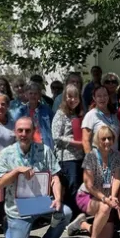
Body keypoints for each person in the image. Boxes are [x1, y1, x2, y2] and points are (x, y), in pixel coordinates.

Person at [0, 117, 71, 238]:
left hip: (41, 203)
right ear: (15, 132)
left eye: (27, 130)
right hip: (17, 209)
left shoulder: (45, 150)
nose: (24, 134)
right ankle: (8, 225)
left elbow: (55, 177)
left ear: (33, 132)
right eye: (20, 130)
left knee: (65, 212)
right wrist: (16, 171)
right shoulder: (6, 154)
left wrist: (58, 198)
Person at [68, 125, 120, 238]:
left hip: (107, 197)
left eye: (109, 138)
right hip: (87, 195)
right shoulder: (91, 157)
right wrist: (105, 199)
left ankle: (82, 224)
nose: (107, 142)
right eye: (103, 139)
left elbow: (117, 178)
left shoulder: (116, 155)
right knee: (104, 208)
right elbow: (89, 184)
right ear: (97, 140)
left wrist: (113, 196)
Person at [51, 84, 85, 215]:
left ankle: (78, 214)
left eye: (75, 97)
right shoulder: (61, 114)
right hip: (67, 158)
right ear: (65, 98)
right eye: (70, 97)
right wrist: (73, 142)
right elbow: (56, 137)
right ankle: (70, 216)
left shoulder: (79, 113)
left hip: (80, 156)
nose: (73, 100)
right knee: (72, 187)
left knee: (79, 186)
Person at [11, 83, 54, 149]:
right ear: (26, 95)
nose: (33, 96)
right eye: (31, 93)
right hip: (27, 146)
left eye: (35, 93)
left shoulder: (47, 110)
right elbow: (14, 128)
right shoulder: (21, 111)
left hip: (44, 145)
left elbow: (53, 127)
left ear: (39, 95)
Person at [82, 85, 120, 153]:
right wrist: (91, 160)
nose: (102, 98)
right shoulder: (91, 115)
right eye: (99, 96)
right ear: (94, 98)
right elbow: (85, 141)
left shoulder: (114, 115)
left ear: (108, 97)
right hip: (98, 158)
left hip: (114, 158)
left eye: (105, 95)